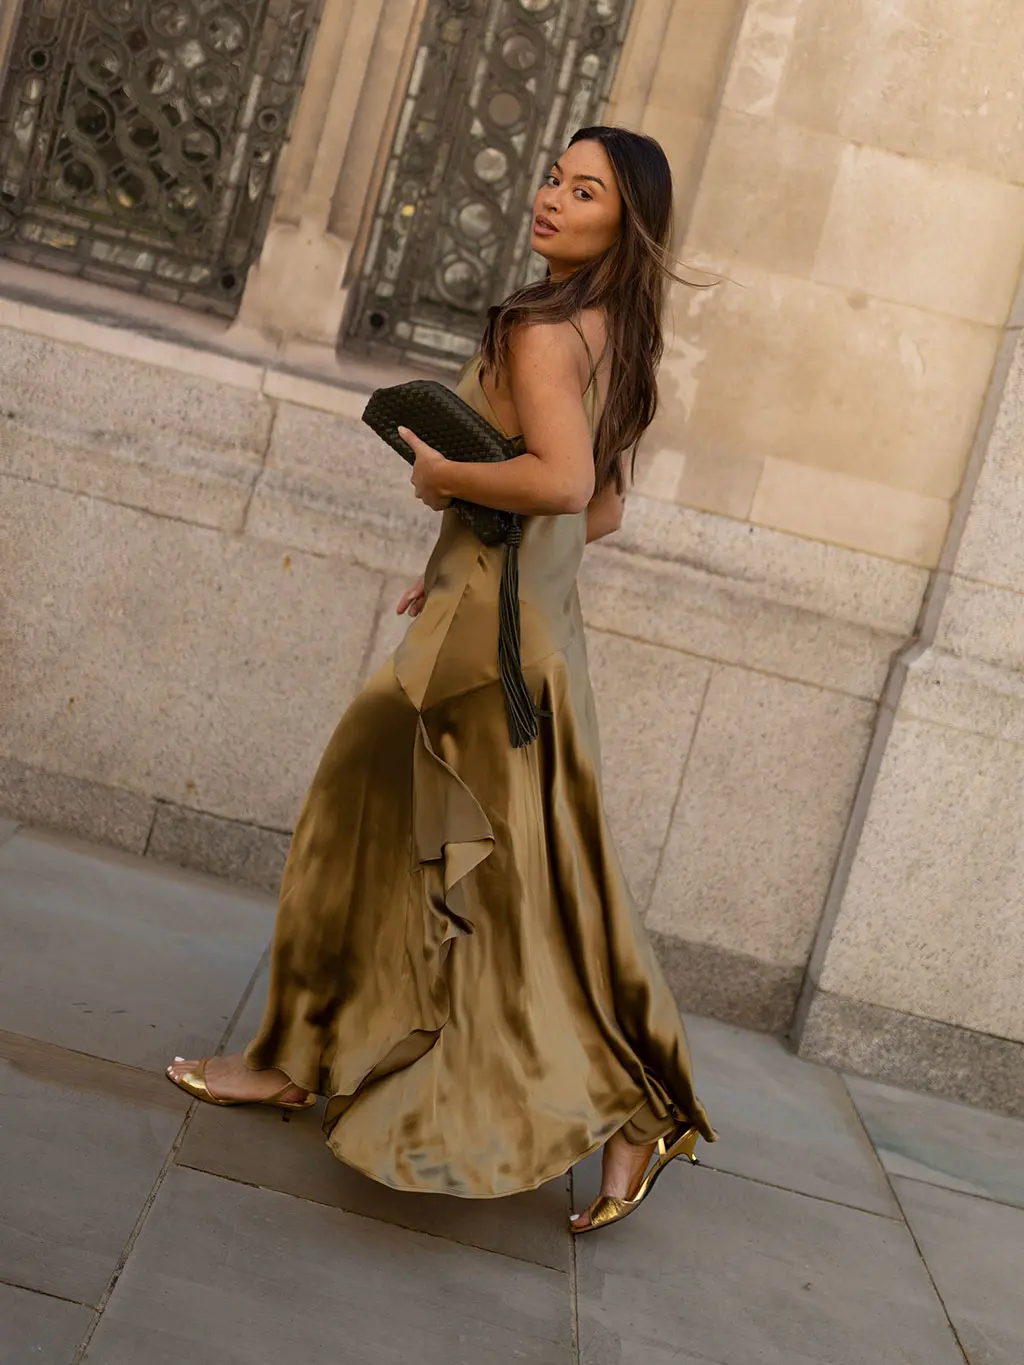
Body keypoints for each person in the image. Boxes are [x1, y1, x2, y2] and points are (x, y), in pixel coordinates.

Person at [168, 124, 716, 1233]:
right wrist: (467, 553)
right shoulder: (618, 333)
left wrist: (442, 481)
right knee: (541, 887)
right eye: (554, 175)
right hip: (533, 636)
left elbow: (560, 482)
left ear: (627, 220)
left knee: (357, 831)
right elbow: (601, 507)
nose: (552, 197)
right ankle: (630, 1116)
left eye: (585, 190)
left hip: (488, 652)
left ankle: (297, 1062)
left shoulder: (540, 330)